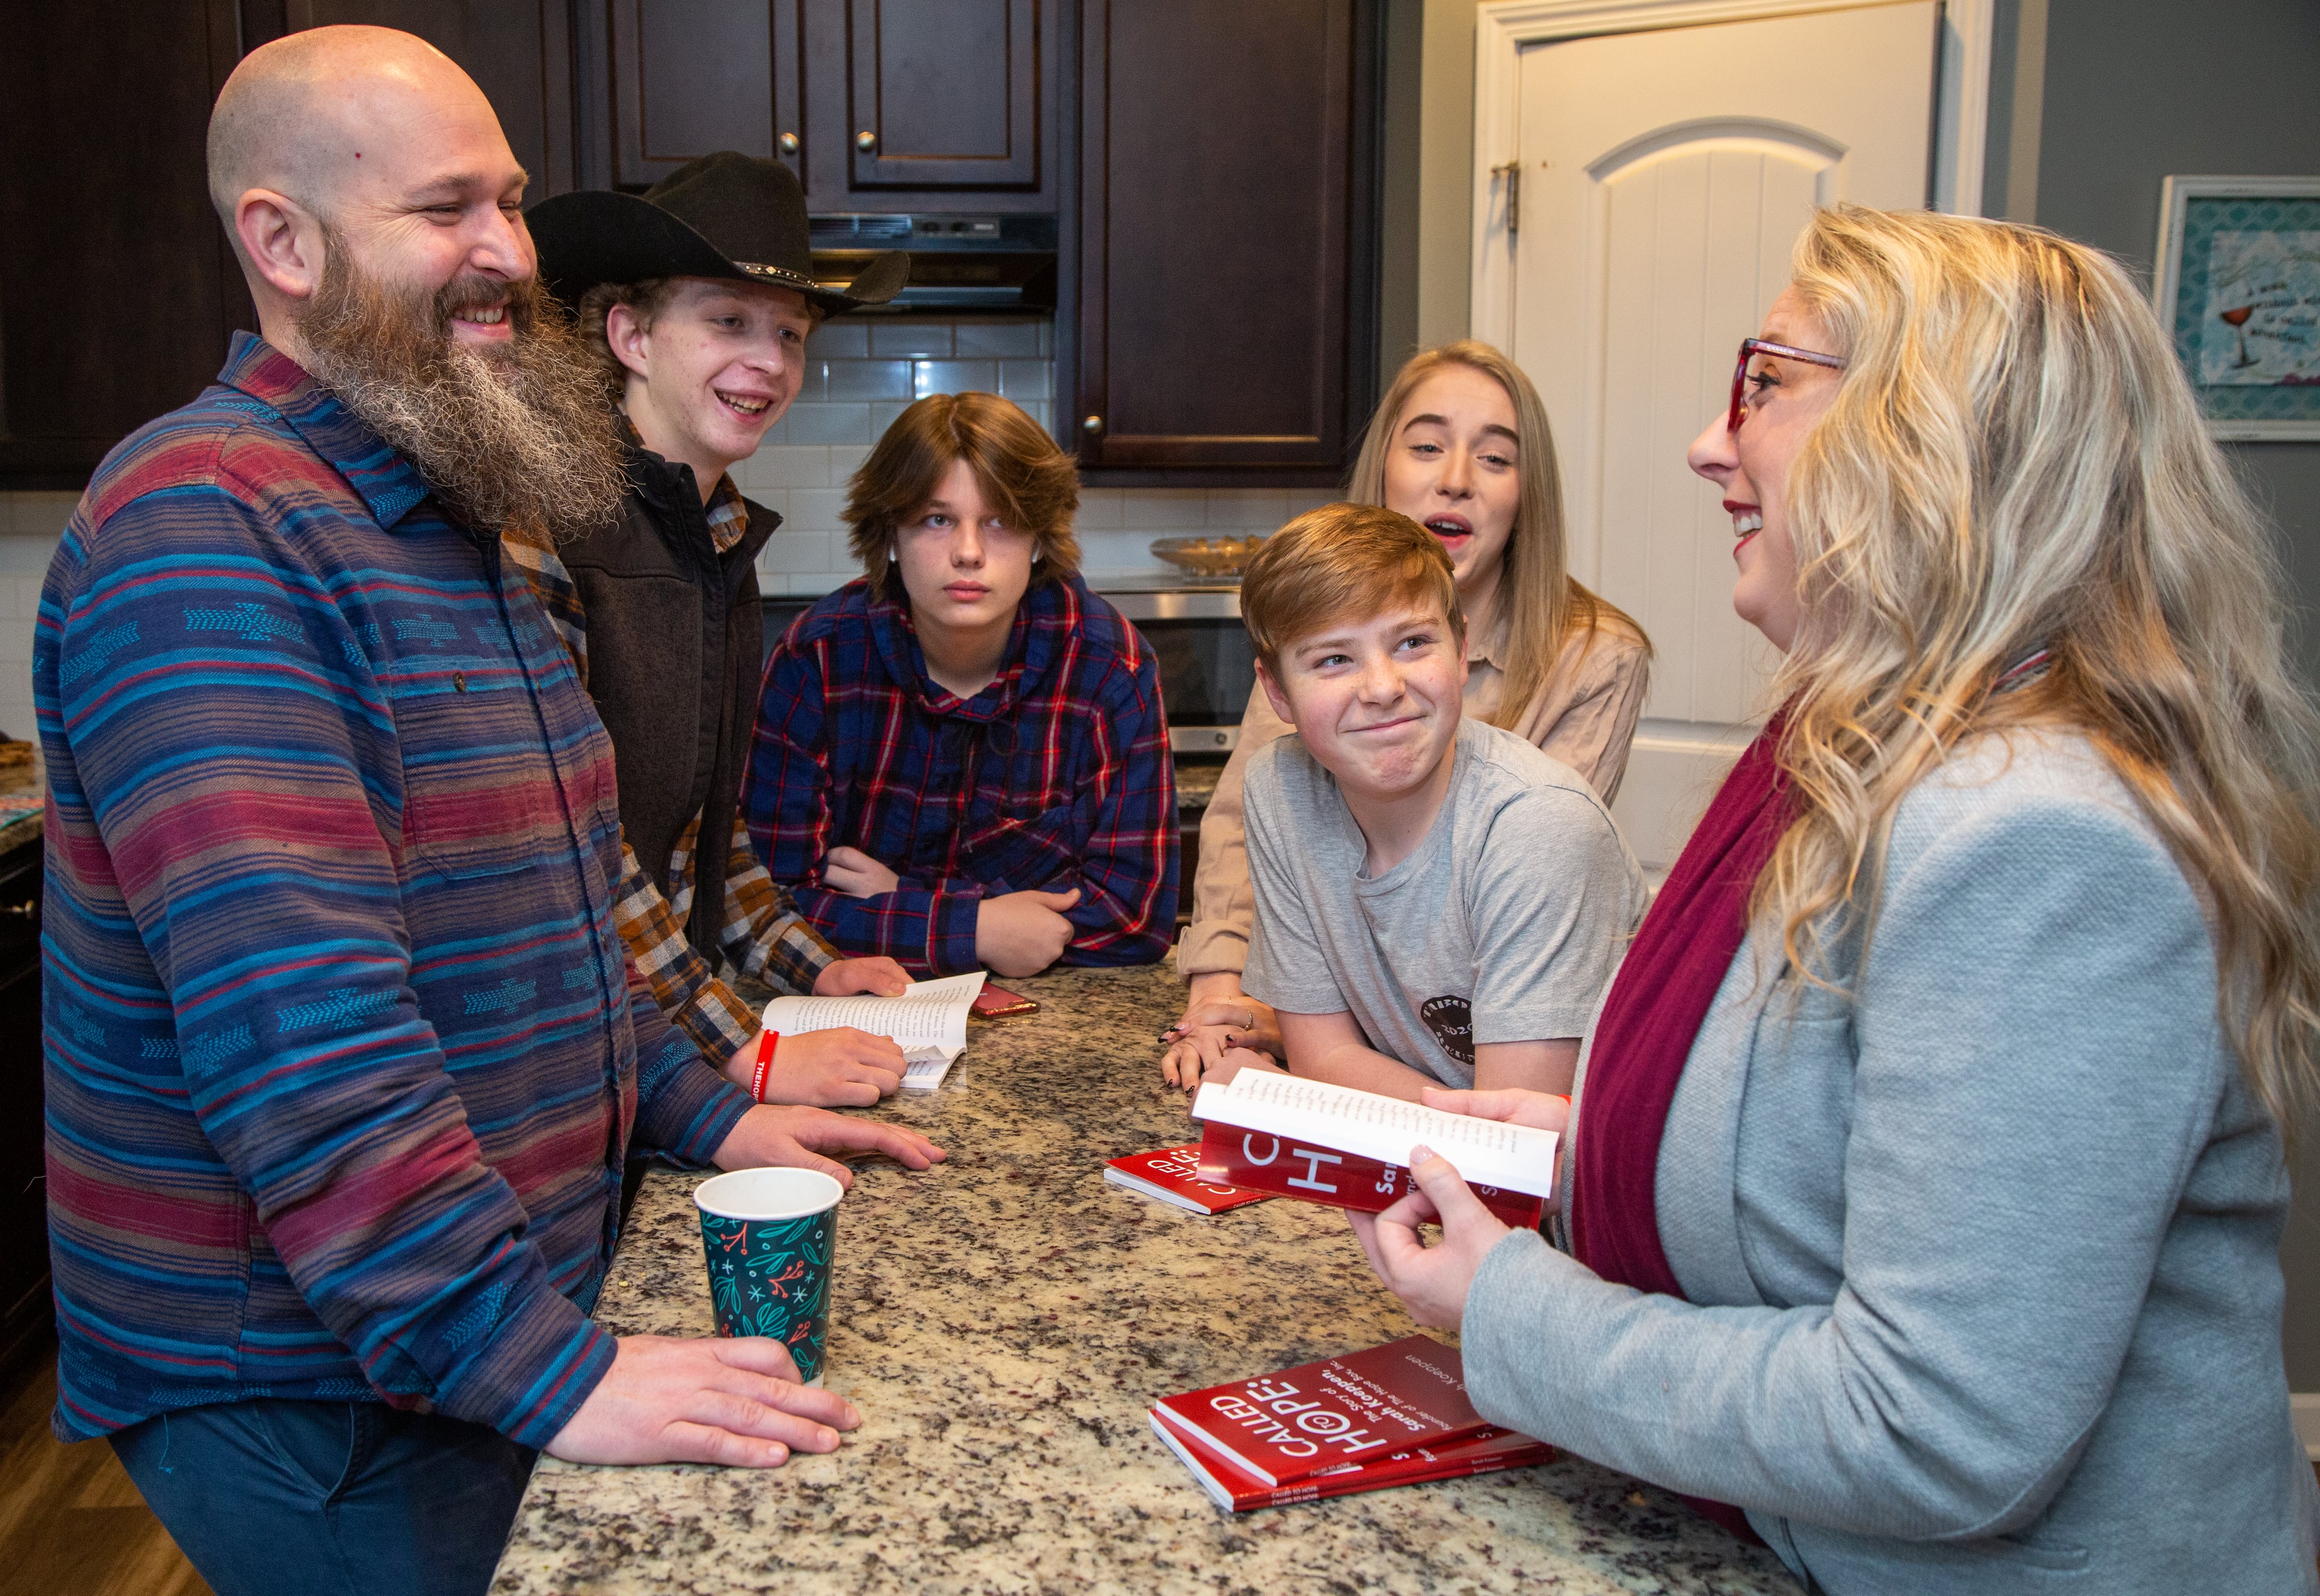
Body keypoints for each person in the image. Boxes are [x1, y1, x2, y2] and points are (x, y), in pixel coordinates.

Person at [36, 28, 941, 1595]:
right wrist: (552, 1370)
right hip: (314, 1396)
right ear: (282, 241)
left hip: (457, 1328)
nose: (507, 254)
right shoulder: (199, 526)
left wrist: (719, 1112)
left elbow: (571, 941)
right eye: (448, 208)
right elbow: (306, 1045)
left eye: (511, 204)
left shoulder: (462, 527)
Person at [1349, 206, 2320, 1592]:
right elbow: (1832, 1162)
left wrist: (1508, 1304)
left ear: (1927, 438)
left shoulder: (2041, 835)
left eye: (1765, 381)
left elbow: (1929, 1424)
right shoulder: (1850, 756)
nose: (1705, 443)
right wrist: (1577, 1152)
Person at [514, 153, 920, 1109]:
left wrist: (813, 967)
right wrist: (751, 1049)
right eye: (728, 321)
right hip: (565, 1067)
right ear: (632, 336)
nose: (770, 362)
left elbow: (708, 832)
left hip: (656, 1050)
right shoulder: (544, 529)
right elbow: (577, 848)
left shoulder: (720, 534)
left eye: (790, 331)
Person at [1167, 341, 1650, 1079]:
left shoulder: (1571, 723)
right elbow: (1244, 832)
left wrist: (1302, 1079)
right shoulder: (1287, 765)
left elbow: (1502, 909)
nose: (1454, 479)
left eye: (1494, 458)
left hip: (1501, 1037)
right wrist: (1221, 1001)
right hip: (1374, 1043)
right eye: (1427, 446)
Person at [740, 391, 1176, 977]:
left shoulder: (1108, 666)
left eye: (1000, 521)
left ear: (1040, 538)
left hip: (1042, 1026)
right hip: (857, 1016)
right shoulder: (816, 656)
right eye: (936, 519)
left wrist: (902, 898)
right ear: (890, 533)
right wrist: (981, 926)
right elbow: (768, 903)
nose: (968, 553)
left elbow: (1134, 917)